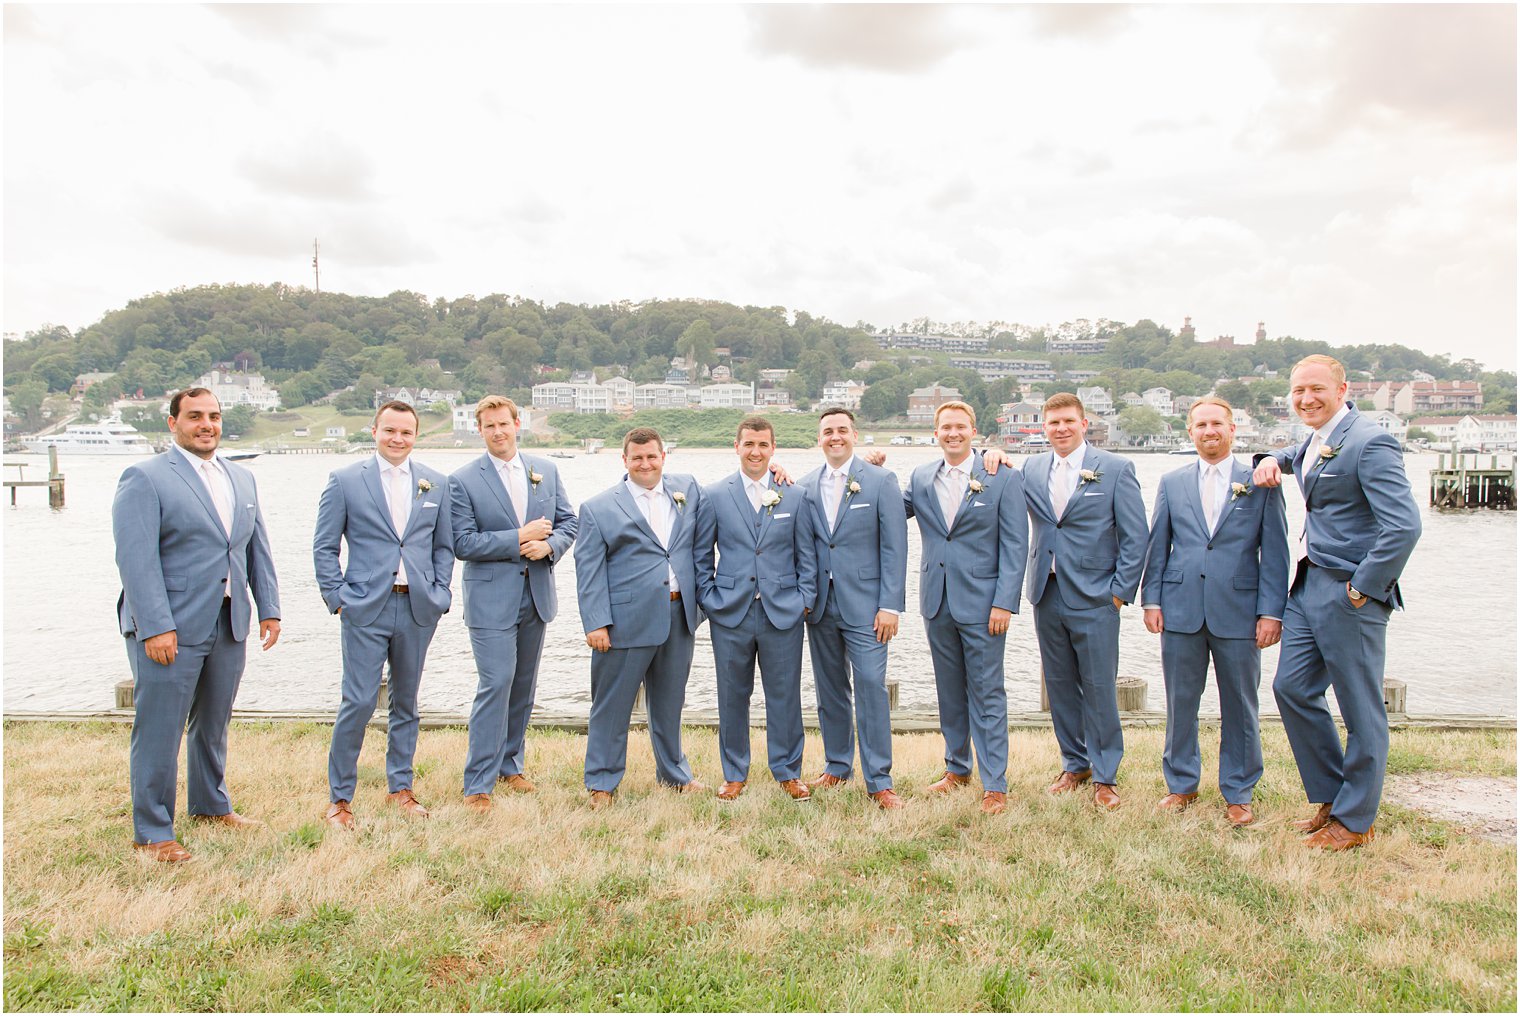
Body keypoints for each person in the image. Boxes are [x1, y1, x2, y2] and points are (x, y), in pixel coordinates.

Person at [1252, 355, 1422, 849]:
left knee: (1361, 707)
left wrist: (1363, 587)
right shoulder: (1320, 436)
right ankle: (1330, 796)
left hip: (1350, 592)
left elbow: (1404, 527)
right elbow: (1300, 452)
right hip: (1307, 587)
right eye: (1298, 390)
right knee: (1292, 689)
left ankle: (1355, 820)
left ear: (1343, 388)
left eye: (1316, 389)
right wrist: (1272, 460)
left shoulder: (1372, 442)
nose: (1306, 399)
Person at [111, 387, 281, 862]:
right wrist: (155, 626)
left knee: (212, 722)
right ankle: (153, 830)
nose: (206, 424)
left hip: (230, 621)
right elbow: (136, 559)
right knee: (160, 727)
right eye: (194, 417)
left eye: (214, 416)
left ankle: (210, 805)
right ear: (173, 423)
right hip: (171, 626)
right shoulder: (144, 478)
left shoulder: (241, 478)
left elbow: (254, 549)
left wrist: (269, 608)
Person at [1141, 396, 1288, 827]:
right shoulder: (1172, 481)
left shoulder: (1258, 481)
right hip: (1180, 607)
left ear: (1232, 429)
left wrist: (1271, 612)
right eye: (1201, 425)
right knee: (1180, 701)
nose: (1209, 431)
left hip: (1240, 611)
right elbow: (1158, 545)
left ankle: (1239, 790)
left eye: (1217, 424)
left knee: (1241, 704)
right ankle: (1181, 784)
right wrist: (1152, 599)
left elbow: (1276, 553)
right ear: (1190, 432)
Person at [314, 400, 455, 828]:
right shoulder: (344, 480)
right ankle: (341, 798)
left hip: (417, 607)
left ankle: (401, 789)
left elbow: (443, 545)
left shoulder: (436, 483)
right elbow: (325, 546)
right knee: (357, 702)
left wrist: (440, 592)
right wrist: (338, 597)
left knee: (407, 703)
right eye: (389, 430)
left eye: (406, 432)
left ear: (416, 436)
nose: (397, 439)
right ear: (374, 430)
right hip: (364, 606)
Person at [449, 396, 577, 812]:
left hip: (536, 596)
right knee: (496, 683)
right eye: (489, 426)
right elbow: (462, 543)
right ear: (480, 430)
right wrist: (519, 537)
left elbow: (569, 522)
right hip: (490, 600)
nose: (498, 432)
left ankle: (510, 765)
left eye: (504, 423)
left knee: (523, 686)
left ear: (517, 424)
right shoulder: (463, 480)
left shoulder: (546, 470)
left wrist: (551, 547)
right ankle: (478, 783)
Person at [1023, 392, 1147, 810]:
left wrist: (1118, 593)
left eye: (1068, 422)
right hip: (1047, 590)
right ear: (1044, 427)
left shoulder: (1114, 469)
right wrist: (994, 456)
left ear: (1083, 424)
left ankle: (1106, 773)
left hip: (1096, 596)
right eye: (1053, 422)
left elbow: (1136, 537)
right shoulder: (1033, 467)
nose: (1060, 429)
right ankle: (1074, 763)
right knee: (1059, 685)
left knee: (1098, 687)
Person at [903, 402, 1027, 815]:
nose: (952, 433)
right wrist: (867, 467)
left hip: (984, 603)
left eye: (960, 427)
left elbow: (1015, 544)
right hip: (936, 601)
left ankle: (995, 782)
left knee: (988, 692)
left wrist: (1004, 602)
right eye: (945, 427)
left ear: (973, 431)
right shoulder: (922, 477)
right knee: (949, 690)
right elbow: (890, 507)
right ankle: (957, 768)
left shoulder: (1001, 475)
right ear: (935, 432)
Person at [575, 428, 706, 807]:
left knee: (669, 703)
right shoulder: (598, 508)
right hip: (623, 623)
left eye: (652, 456)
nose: (645, 464)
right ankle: (602, 782)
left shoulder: (688, 490)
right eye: (637, 458)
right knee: (612, 705)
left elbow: (732, 500)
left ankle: (674, 774)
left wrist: (775, 472)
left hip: (679, 615)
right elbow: (589, 571)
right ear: (625, 460)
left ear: (664, 456)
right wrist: (596, 622)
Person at [693, 416, 819, 802]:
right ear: (737, 447)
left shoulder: (794, 496)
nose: (756, 451)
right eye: (749, 444)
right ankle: (734, 773)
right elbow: (701, 557)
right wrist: (711, 600)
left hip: (782, 611)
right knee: (732, 695)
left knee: (785, 694)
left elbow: (807, 557)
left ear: (773, 448)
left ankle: (787, 771)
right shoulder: (714, 495)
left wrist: (804, 600)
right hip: (730, 612)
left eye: (763, 445)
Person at [800, 407, 909, 810]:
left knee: (870, 687)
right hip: (820, 606)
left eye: (841, 430)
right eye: (827, 431)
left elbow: (895, 547)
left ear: (854, 434)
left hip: (868, 608)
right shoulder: (805, 486)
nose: (835, 437)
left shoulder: (880, 481)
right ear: (820, 438)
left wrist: (890, 606)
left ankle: (879, 779)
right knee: (830, 690)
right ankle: (837, 765)